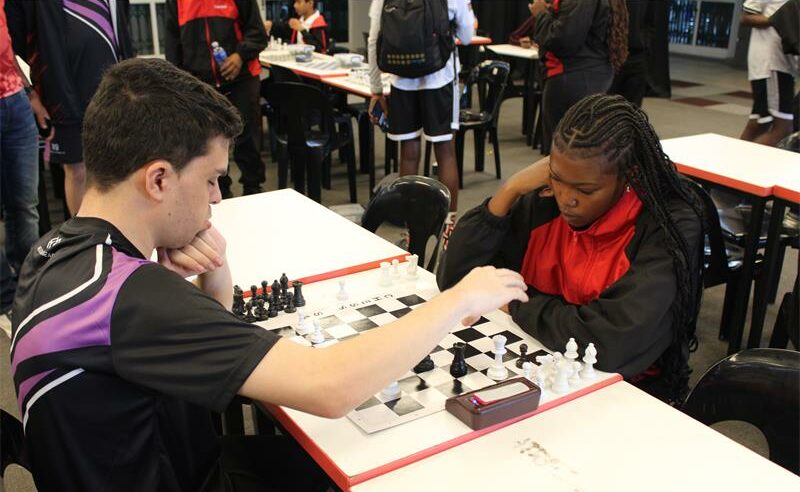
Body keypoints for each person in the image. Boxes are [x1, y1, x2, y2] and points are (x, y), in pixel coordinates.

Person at [9, 58, 527, 491]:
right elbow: (330, 388)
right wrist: (457, 300)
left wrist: (214, 276)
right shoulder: (134, 298)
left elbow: (187, 353)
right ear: (159, 179)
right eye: (211, 180)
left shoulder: (54, 253)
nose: (217, 198)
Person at [437, 94, 704, 405]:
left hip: (629, 393)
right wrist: (509, 191)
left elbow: (612, 341)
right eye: (557, 179)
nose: (567, 199)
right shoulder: (545, 199)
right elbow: (457, 281)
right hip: (541, 366)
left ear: (629, 175)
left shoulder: (668, 224)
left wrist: (515, 304)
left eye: (585, 190)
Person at [5, 0, 132, 216]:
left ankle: (120, 230)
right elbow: (11, 44)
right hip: (63, 92)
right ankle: (85, 235)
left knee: (120, 167)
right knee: (78, 169)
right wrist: (32, 94)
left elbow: (121, 27)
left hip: (116, 87)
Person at [368, 0, 474, 247]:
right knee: (445, 152)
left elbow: (374, 40)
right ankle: (447, 232)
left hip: (401, 80)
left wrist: (376, 89)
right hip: (441, 77)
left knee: (408, 153)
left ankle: (412, 231)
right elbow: (468, 36)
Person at [165, 0, 268, 198]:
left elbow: (258, 34)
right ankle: (220, 192)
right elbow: (173, 44)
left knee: (247, 137)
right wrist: (179, 83)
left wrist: (240, 55)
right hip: (200, 83)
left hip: (242, 78)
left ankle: (253, 187)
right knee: (209, 143)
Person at [0, 0, 48, 318]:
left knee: (25, 204)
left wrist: (29, 93)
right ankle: (5, 297)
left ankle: (30, 285)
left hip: (14, 98)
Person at [530, 0, 628, 155]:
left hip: (573, 78)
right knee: (581, 151)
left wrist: (541, 14)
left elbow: (563, 40)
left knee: (563, 152)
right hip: (590, 74)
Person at [739, 0, 797, 146]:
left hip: (784, 65)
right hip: (772, 64)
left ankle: (734, 157)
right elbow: (746, 17)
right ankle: (743, 159)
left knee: (759, 124)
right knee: (784, 128)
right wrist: (780, 20)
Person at [609, 0, 652, 107]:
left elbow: (651, 22)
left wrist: (645, 43)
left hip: (637, 56)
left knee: (633, 108)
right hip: (613, 56)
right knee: (609, 106)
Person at [264, 0, 329, 54]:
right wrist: (271, 24)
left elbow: (320, 49)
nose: (295, 5)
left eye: (299, 2)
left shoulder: (320, 24)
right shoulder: (299, 19)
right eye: (295, 2)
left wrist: (302, 30)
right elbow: (284, 29)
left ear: (310, 3)